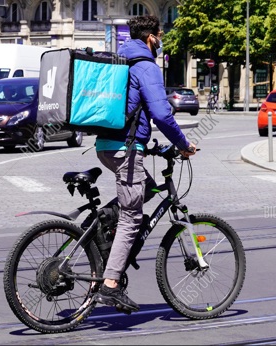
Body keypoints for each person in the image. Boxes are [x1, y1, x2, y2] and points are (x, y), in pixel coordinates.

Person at [93, 14, 196, 313]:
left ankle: (100, 236)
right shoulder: (146, 66)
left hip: (108, 146)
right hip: (125, 150)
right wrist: (183, 144)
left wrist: (153, 148)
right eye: (160, 35)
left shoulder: (119, 61)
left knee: (147, 189)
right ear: (151, 37)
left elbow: (132, 110)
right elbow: (162, 115)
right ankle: (110, 284)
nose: (161, 40)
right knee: (131, 218)